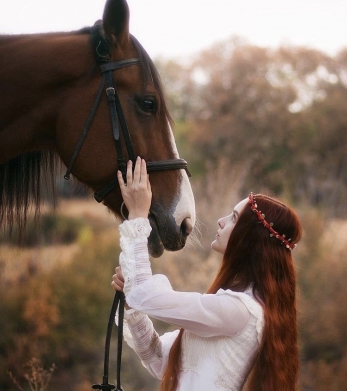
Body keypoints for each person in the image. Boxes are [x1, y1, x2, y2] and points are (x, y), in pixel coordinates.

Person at [111, 157, 302, 391]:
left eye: (233, 218)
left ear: (250, 239)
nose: (221, 222)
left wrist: (139, 214)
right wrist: (132, 305)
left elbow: (144, 294)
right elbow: (157, 357)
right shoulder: (235, 305)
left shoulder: (241, 311)